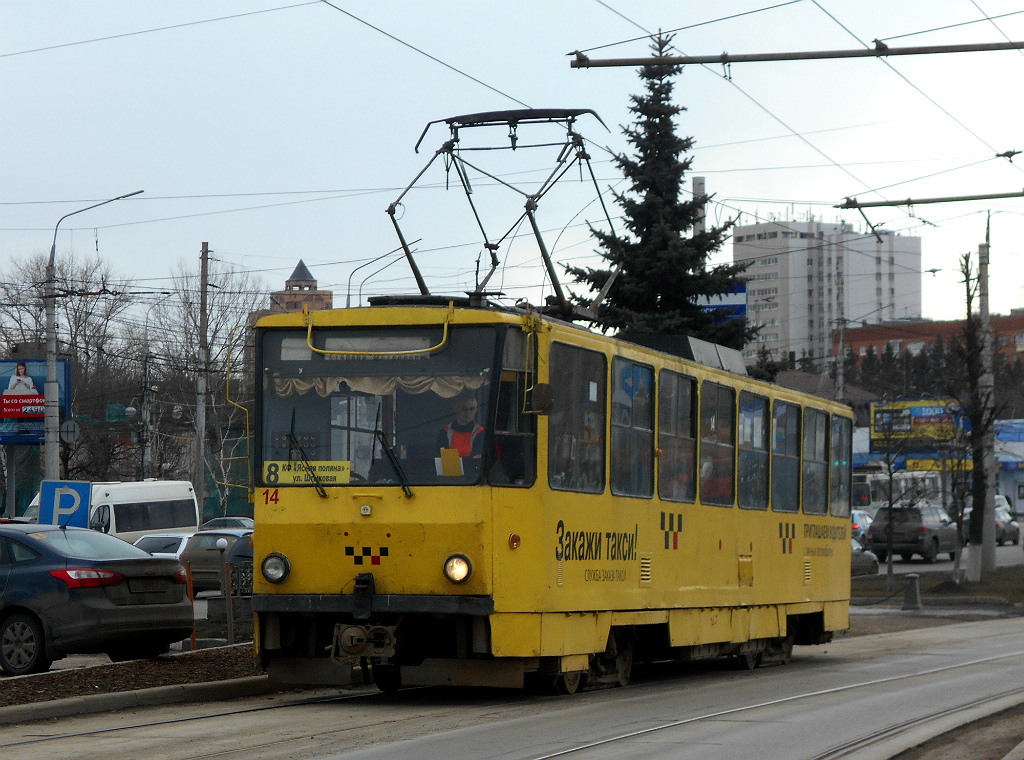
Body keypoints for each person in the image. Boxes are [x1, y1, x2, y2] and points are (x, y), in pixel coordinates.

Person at [437, 394, 484, 459]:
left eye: (472, 409)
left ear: (476, 411)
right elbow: (440, 458)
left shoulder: (481, 432)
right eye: (464, 408)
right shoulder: (445, 432)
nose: (468, 412)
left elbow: (478, 458)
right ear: (456, 409)